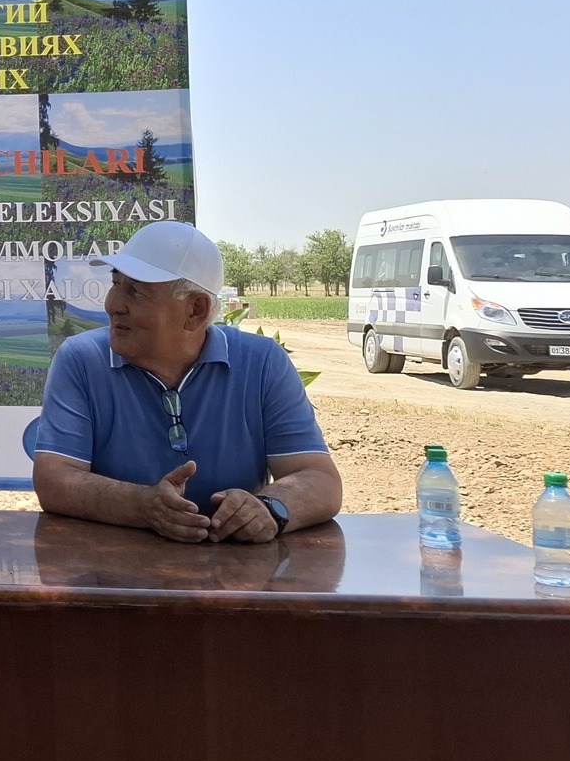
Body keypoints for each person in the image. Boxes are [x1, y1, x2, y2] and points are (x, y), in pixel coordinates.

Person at [31, 221, 343, 543]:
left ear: (195, 310)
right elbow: (54, 479)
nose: (113, 305)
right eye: (116, 284)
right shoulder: (82, 360)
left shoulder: (262, 362)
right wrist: (143, 507)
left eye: (136, 291)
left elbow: (319, 478)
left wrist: (267, 508)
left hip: (233, 567)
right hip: (109, 566)